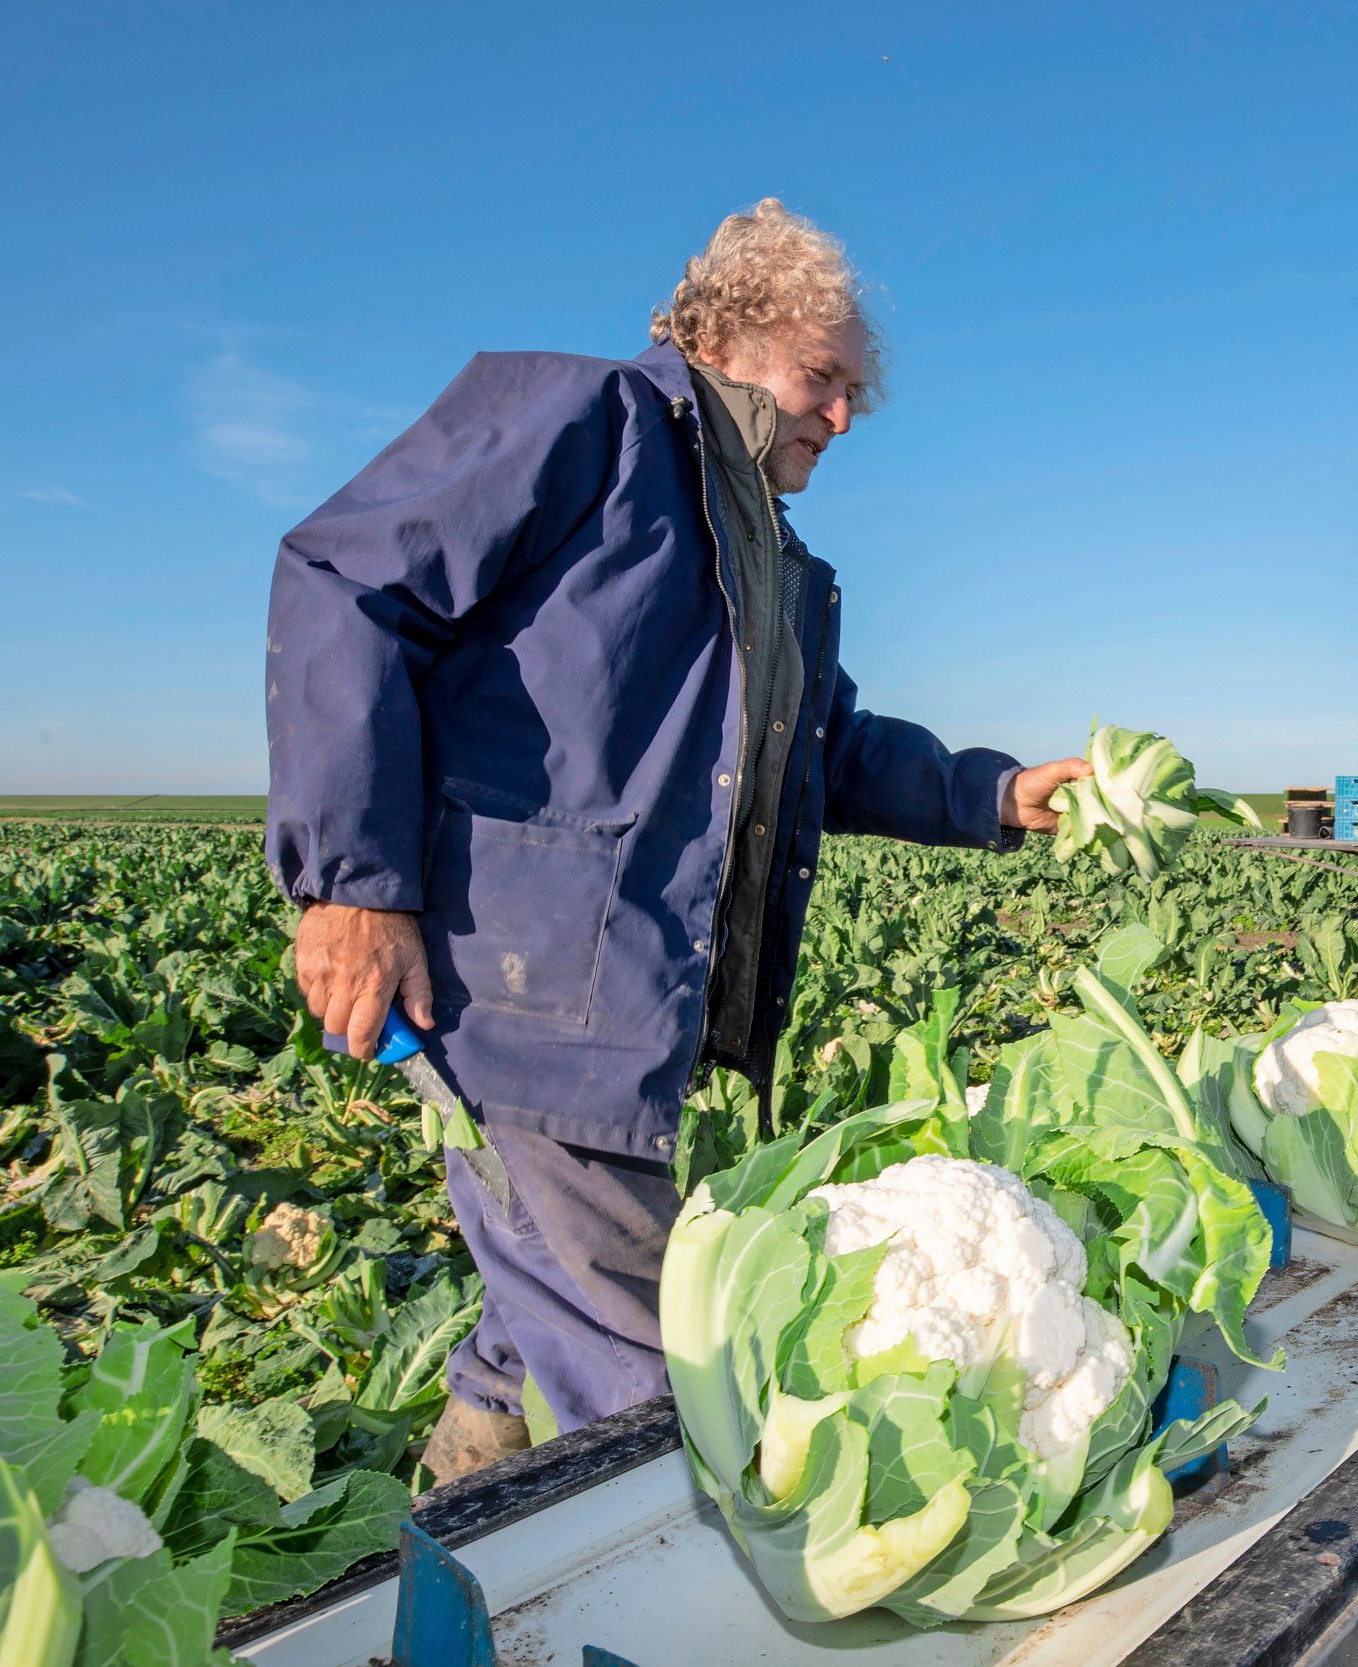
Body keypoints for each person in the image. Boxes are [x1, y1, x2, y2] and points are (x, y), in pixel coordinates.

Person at [261, 200, 1093, 1483]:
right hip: (523, 993)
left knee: (538, 1299)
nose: (842, 414)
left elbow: (829, 750)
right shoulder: (582, 421)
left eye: (853, 390)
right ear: (730, 338)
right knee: (664, 1380)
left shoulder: (774, 557)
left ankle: (450, 1528)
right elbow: (347, 580)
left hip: (621, 1003)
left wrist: (990, 794)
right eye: (825, 378)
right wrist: (351, 887)